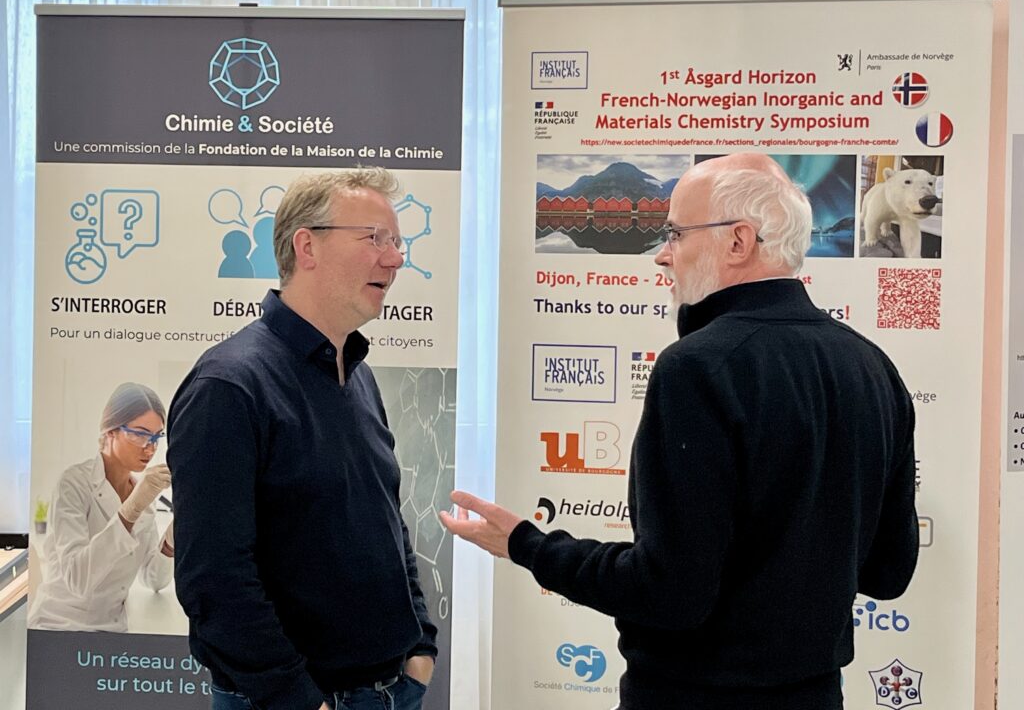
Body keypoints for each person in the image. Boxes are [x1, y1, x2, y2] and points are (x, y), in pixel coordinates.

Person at [441, 152, 919, 709]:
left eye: (675, 234)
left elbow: (669, 593)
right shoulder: (871, 365)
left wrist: (529, 545)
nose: (662, 256)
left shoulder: (697, 367)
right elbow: (888, 572)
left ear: (738, 241)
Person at [168, 168, 437, 710]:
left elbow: (384, 522)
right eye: (375, 238)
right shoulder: (229, 386)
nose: (394, 259)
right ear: (306, 246)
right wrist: (297, 699)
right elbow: (214, 579)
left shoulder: (356, 373)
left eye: (397, 241)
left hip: (391, 688)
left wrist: (420, 646)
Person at [29, 382, 173, 631]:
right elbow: (78, 579)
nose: (150, 447)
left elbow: (154, 580)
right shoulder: (74, 483)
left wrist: (177, 529)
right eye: (140, 434)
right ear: (111, 431)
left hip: (112, 631)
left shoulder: (142, 498)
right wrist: (131, 509)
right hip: (59, 627)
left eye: (156, 437)